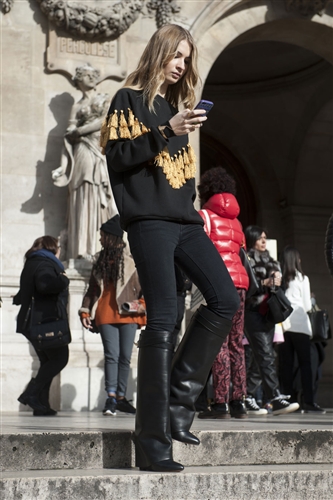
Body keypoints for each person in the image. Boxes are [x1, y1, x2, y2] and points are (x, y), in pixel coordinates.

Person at [102, 24, 240, 472]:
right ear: (158, 52)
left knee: (224, 298)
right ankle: (152, 441)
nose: (181, 64)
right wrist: (167, 129)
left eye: (186, 57)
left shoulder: (173, 109)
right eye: (175, 55)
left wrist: (175, 124)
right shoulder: (129, 99)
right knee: (163, 319)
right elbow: (120, 158)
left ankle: (179, 409)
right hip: (149, 223)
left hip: (185, 222)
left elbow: (178, 179)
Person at [79, 215, 146, 416]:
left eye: (102, 236)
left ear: (111, 237)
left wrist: (139, 306)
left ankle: (120, 397)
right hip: (106, 314)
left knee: (125, 357)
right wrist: (84, 310)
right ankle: (110, 397)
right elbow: (92, 290)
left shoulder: (131, 262)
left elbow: (143, 291)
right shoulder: (100, 261)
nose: (100, 240)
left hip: (128, 314)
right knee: (112, 356)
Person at [196, 166, 249, 419]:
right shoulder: (237, 221)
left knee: (218, 343)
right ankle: (239, 401)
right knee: (237, 343)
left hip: (217, 284)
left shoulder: (204, 216)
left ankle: (219, 403)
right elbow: (241, 252)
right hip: (241, 285)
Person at [52, 63, 116, 260]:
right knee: (83, 192)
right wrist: (63, 167)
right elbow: (67, 137)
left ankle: (99, 245)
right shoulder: (77, 106)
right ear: (78, 80)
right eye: (85, 75)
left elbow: (107, 121)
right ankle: (82, 248)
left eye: (92, 74)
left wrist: (79, 131)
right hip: (82, 152)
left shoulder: (105, 99)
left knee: (100, 194)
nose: (89, 78)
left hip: (99, 149)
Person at [244, 226, 299, 415]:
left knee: (262, 356)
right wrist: (264, 283)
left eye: (265, 238)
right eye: (259, 238)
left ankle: (248, 396)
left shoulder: (272, 260)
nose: (263, 241)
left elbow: (279, 286)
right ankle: (274, 397)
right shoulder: (247, 259)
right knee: (265, 355)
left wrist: (277, 280)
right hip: (252, 312)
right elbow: (246, 287)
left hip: (269, 312)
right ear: (251, 240)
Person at [13, 236, 70, 416]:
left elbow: (25, 291)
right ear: (53, 248)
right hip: (43, 322)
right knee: (60, 358)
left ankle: (41, 405)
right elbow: (44, 285)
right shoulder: (45, 263)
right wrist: (63, 280)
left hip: (30, 322)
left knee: (47, 362)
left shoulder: (32, 262)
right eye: (59, 247)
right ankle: (31, 394)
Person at [279, 246, 325, 413]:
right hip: (301, 326)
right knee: (306, 365)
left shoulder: (282, 279)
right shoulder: (302, 278)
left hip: (285, 326)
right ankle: (308, 401)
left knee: (286, 365)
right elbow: (306, 305)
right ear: (295, 260)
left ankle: (289, 400)